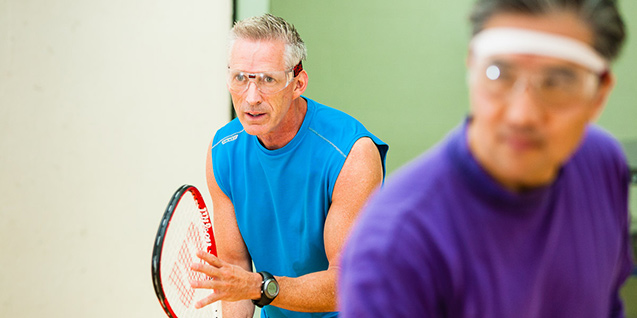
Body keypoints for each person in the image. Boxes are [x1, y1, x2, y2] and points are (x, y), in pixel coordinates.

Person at [339, 0, 633, 317]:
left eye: (557, 82)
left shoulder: (601, 165)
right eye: (499, 73)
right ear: (471, 68)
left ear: (599, 95)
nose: (523, 115)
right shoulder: (397, 246)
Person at [190, 14, 389, 318]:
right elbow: (236, 271)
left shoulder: (351, 154)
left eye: (268, 79)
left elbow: (345, 284)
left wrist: (260, 287)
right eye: (241, 77)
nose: (251, 98)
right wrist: (250, 288)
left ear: (298, 83)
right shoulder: (222, 151)